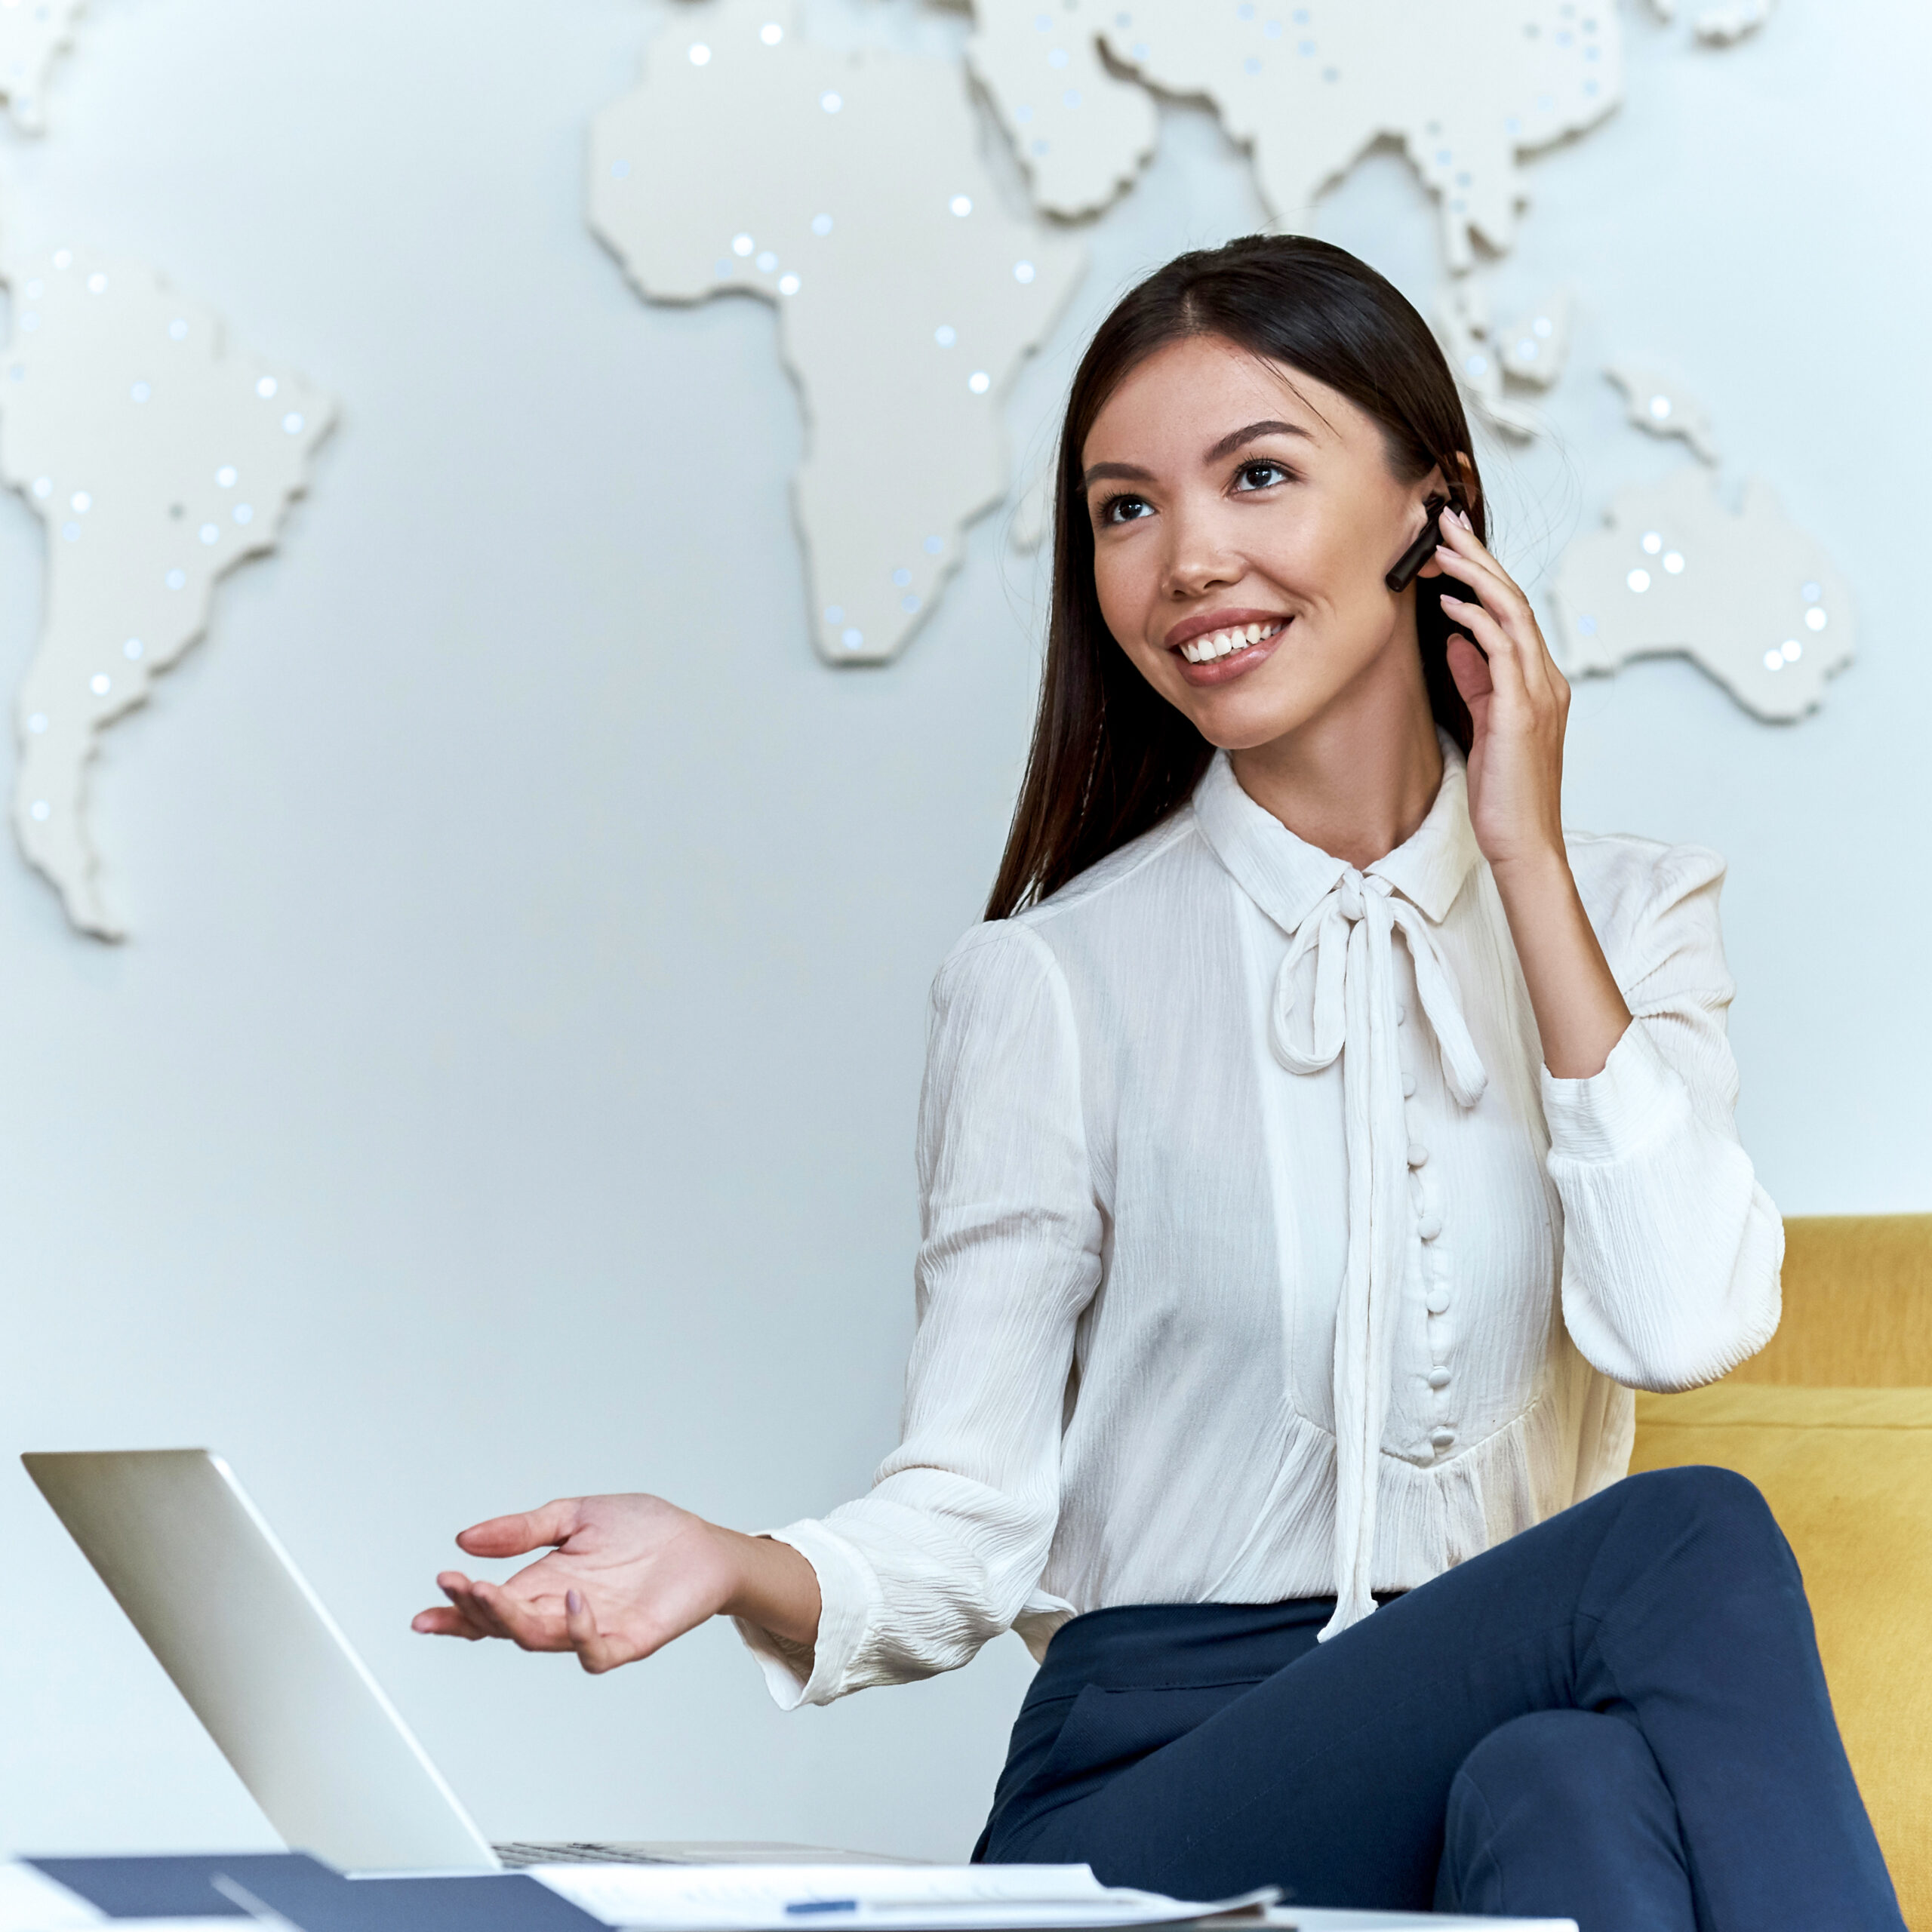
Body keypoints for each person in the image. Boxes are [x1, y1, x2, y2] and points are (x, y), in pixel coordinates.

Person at [414, 236, 1902, 1931]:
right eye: (1123, 508)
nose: (1187, 557)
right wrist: (734, 1564)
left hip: (1507, 1719)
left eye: (1256, 474)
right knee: (1678, 1538)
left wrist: (1526, 861)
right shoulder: (1047, 984)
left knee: (1560, 1781)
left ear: (1438, 507)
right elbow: (968, 1514)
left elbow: (1679, 1321)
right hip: (1152, 1788)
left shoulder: (1623, 914)